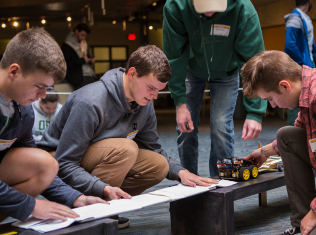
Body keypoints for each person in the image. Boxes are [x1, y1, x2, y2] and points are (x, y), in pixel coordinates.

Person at [37, 45, 218, 226]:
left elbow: (154, 149)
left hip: (96, 159)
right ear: (132, 73)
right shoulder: (91, 101)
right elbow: (65, 163)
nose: (155, 96)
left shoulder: (144, 104)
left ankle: (106, 206)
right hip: (54, 164)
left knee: (159, 165)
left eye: (159, 90)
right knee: (126, 149)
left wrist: (181, 172)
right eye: (150, 88)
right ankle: (90, 213)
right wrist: (103, 187)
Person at [242, 50, 316, 235]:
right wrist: (264, 153)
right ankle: (301, 225)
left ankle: (311, 222)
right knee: (286, 136)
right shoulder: (310, 85)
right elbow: (301, 132)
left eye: (270, 99)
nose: (272, 105)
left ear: (284, 86)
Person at [0, 28, 105, 223]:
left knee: (46, 164)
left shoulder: (24, 111)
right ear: (14, 71)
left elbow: (34, 162)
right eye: (39, 86)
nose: (42, 96)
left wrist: (75, 198)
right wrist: (31, 205)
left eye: (47, 88)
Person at [162, 0, 267, 177]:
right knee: (185, 127)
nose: (209, 12)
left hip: (227, 71)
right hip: (191, 69)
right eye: (203, 5)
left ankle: (221, 184)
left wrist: (255, 112)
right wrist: (180, 103)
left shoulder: (243, 9)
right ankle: (188, 181)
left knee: (220, 126)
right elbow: (174, 56)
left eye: (215, 5)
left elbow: (253, 62)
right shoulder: (176, 6)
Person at [284, 0, 316, 126]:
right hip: (300, 68)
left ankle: (305, 133)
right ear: (310, 0)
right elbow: (290, 45)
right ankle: (292, 135)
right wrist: (304, 64)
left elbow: (311, 46)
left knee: (306, 101)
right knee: (296, 101)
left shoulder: (304, 18)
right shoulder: (295, 18)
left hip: (308, 67)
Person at [62, 23, 97, 90]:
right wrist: (82, 60)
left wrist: (90, 60)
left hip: (90, 74)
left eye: (85, 36)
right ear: (77, 31)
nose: (84, 37)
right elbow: (66, 64)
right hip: (78, 78)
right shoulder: (67, 45)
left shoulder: (84, 43)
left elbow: (86, 57)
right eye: (82, 35)